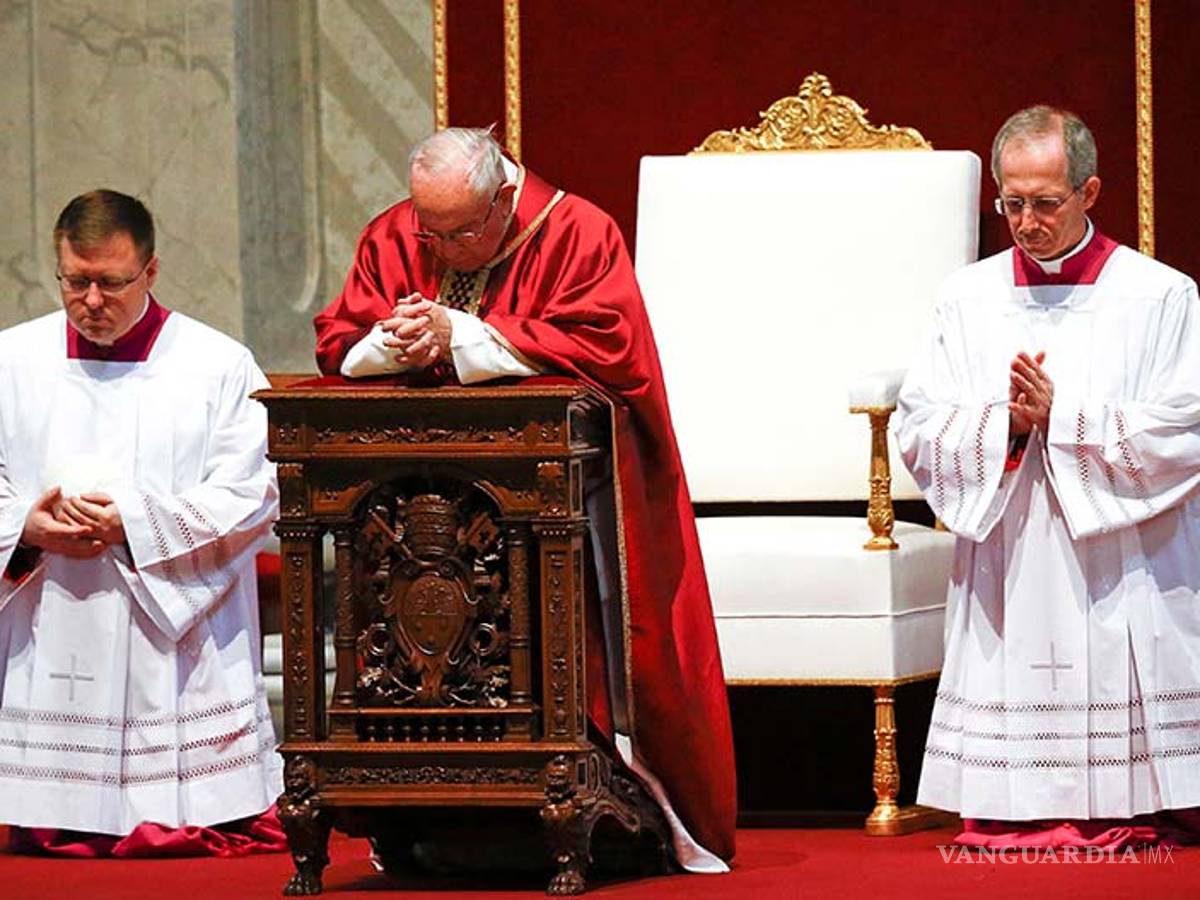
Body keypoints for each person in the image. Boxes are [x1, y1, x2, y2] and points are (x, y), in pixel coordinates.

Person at [313, 127, 736, 869]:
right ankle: (417, 805)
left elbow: (607, 348)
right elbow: (343, 335)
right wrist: (395, 342)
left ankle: (601, 797)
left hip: (557, 503)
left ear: (504, 196)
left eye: (464, 230)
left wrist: (463, 337)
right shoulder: (393, 232)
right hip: (418, 509)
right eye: (430, 232)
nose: (443, 249)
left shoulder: (578, 231)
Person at [896, 106, 1200, 846]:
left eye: (1046, 203)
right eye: (1012, 203)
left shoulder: (1160, 294)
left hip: (1122, 551)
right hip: (1013, 539)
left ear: (1090, 193)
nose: (1026, 223)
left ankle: (1134, 798)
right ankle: (1009, 801)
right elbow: (918, 421)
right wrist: (1003, 422)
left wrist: (1065, 419)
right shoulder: (967, 296)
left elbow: (1184, 424)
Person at [0, 189, 283, 855]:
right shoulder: (11, 361)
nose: (92, 300)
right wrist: (25, 526)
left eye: (112, 282)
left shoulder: (217, 364)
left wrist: (136, 521)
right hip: (51, 604)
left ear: (150, 272)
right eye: (77, 281)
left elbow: (254, 489)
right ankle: (55, 810)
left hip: (166, 624)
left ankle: (186, 807)